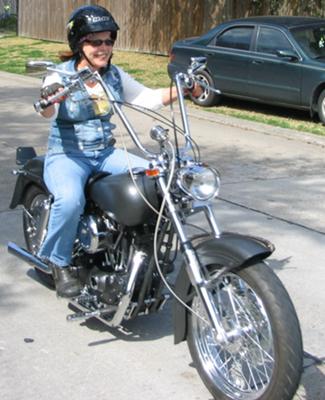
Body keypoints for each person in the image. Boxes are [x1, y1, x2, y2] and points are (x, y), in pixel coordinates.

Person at [37, 5, 201, 298]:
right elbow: (49, 111)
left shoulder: (113, 75)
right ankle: (59, 263)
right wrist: (49, 98)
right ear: (79, 44)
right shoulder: (59, 75)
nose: (103, 47)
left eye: (108, 41)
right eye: (94, 41)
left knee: (157, 179)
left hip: (105, 153)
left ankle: (145, 252)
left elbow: (146, 98)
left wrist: (182, 89)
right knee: (70, 200)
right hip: (68, 156)